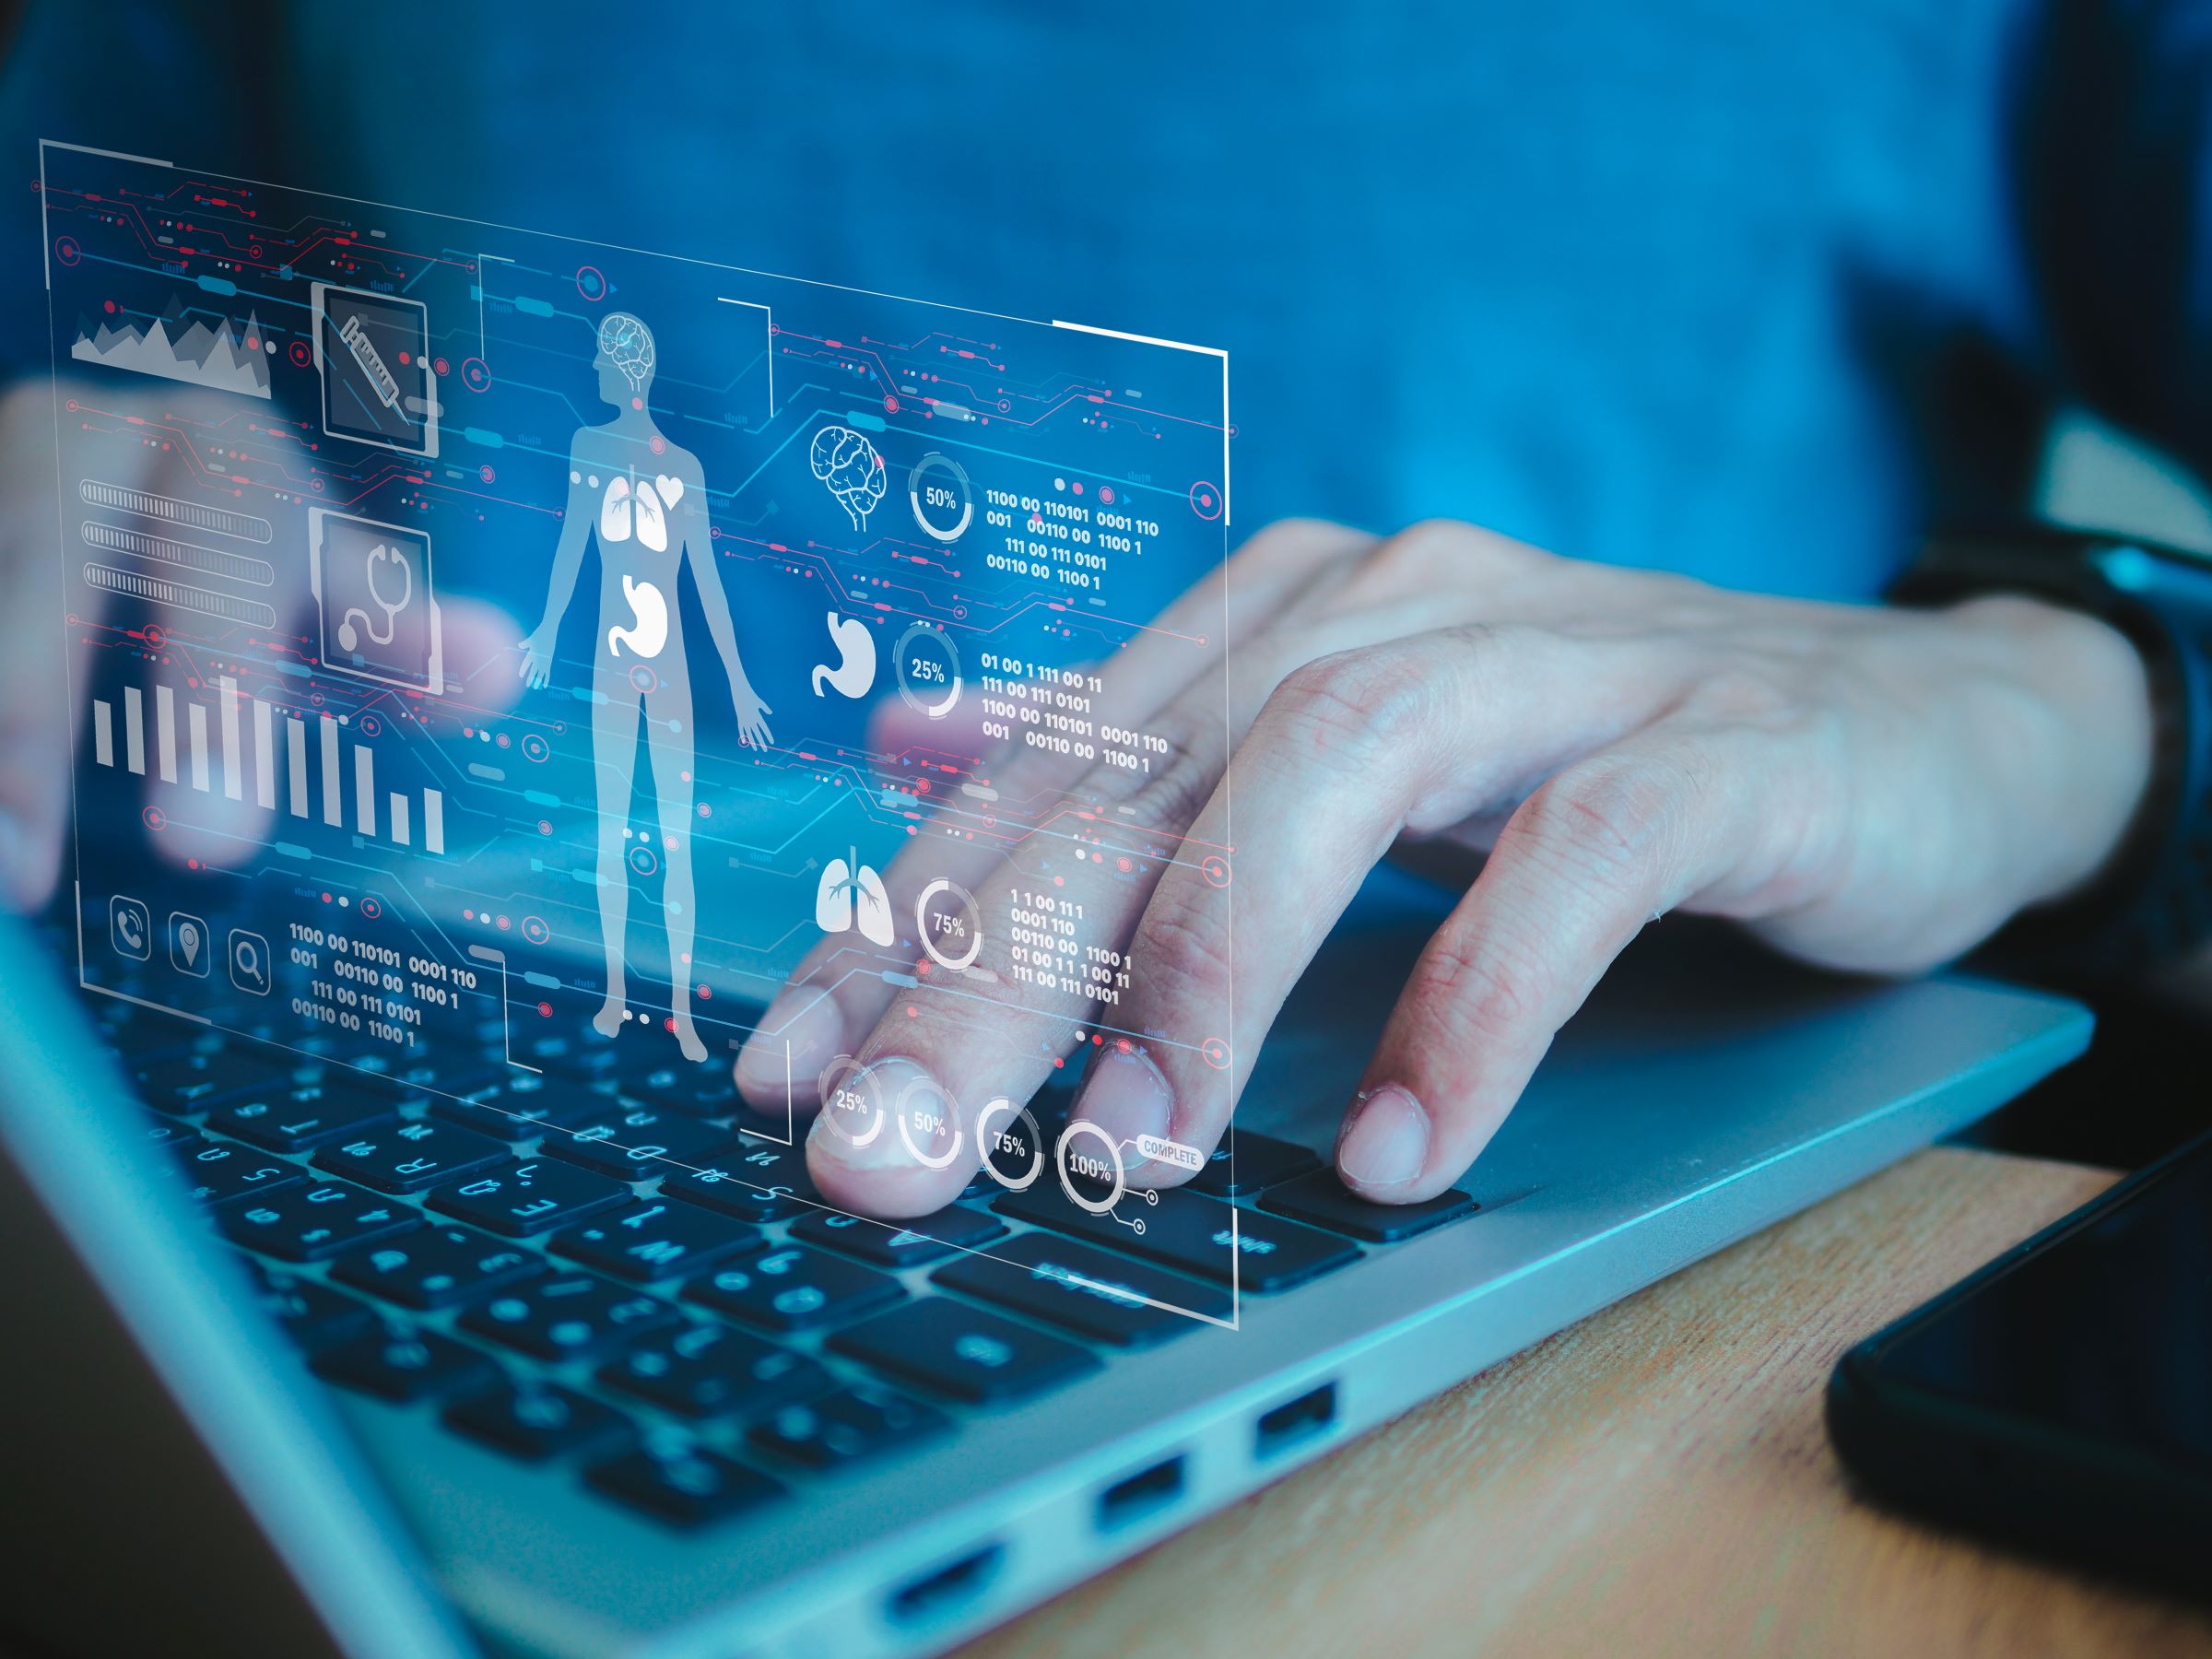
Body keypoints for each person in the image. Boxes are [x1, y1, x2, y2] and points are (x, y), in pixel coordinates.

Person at [0, 3, 2193, 1219]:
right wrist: (100, 437)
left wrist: (2085, 716)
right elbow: (127, 327)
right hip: (328, 1085)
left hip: (1427, 1220)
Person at [520, 312, 775, 1063]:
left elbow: (708, 584)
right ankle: (615, 997)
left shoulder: (685, 467)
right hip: (607, 665)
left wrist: (736, 681)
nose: (594, 369)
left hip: (667, 675)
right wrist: (546, 630)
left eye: (604, 361)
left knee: (674, 842)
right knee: (609, 832)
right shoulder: (588, 449)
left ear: (628, 373)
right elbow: (570, 547)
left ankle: (679, 1014)